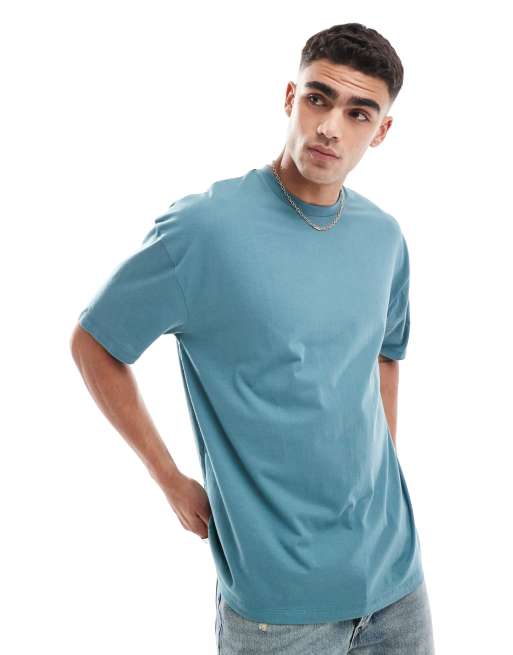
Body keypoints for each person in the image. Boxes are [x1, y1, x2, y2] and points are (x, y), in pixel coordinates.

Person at [70, 21, 435, 655]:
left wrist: (376, 473)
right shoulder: (205, 231)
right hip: (278, 605)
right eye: (319, 98)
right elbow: (95, 343)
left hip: (396, 582)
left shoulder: (384, 238)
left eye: (358, 113)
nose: (331, 127)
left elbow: (385, 355)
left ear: (381, 131)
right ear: (291, 97)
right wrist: (169, 478)